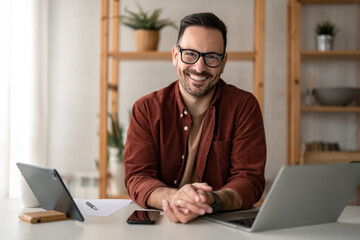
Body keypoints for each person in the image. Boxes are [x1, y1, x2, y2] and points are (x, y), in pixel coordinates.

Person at [124, 12, 266, 224]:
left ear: (223, 62)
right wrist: (175, 198)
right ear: (174, 55)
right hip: (162, 223)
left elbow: (249, 180)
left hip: (223, 225)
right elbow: (138, 177)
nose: (199, 67)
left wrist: (210, 200)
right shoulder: (146, 109)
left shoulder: (244, 107)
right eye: (190, 54)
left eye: (211, 57)